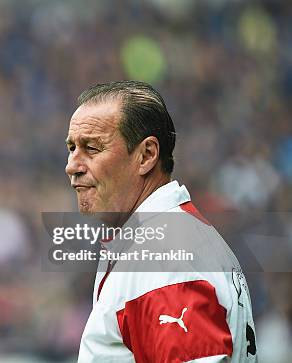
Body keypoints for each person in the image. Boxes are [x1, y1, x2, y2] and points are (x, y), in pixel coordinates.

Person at [65, 81, 257, 362]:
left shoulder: (164, 255)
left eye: (91, 148)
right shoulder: (165, 239)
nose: (72, 165)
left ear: (146, 155)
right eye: (72, 148)